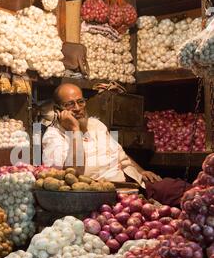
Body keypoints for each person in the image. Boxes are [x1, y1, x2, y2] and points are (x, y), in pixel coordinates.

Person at [42, 83, 190, 206]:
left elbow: (119, 154)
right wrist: (74, 130)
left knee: (184, 190)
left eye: (80, 101)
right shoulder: (53, 137)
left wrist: (140, 171)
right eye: (69, 104)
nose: (78, 108)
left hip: (135, 183)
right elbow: (72, 176)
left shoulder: (96, 124)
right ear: (58, 110)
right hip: (109, 196)